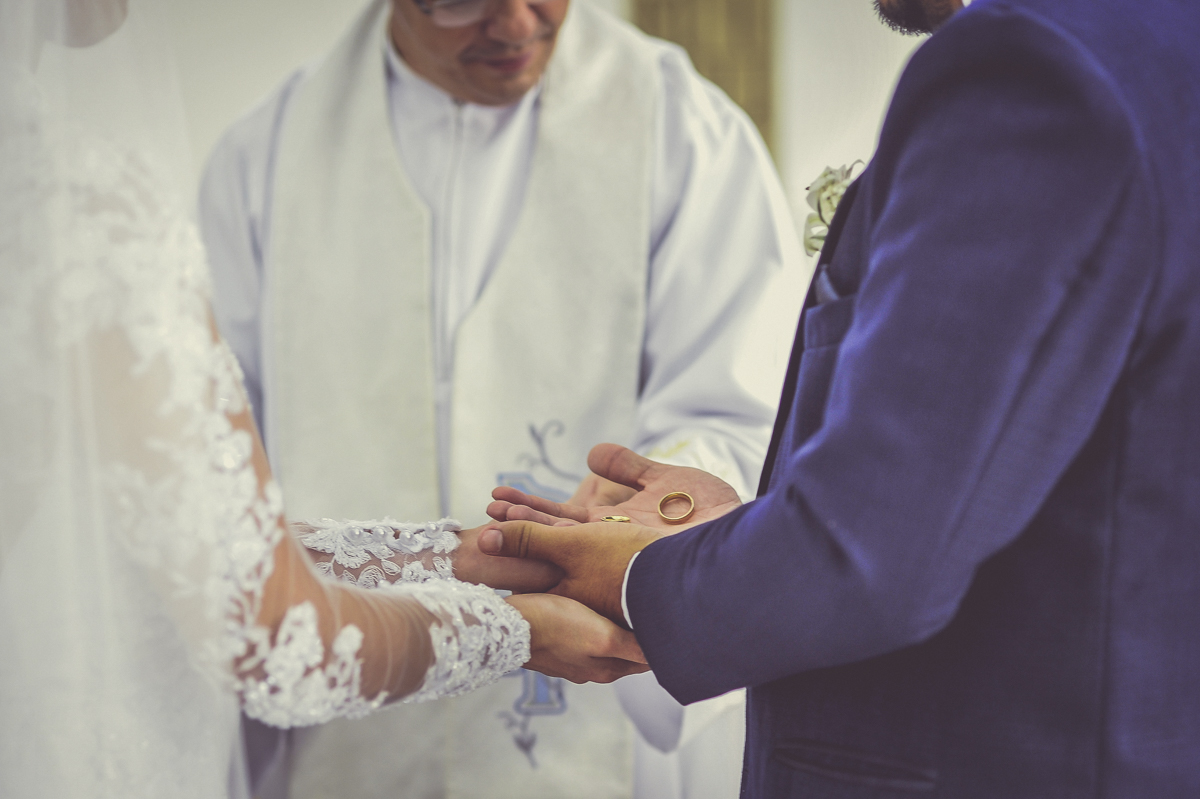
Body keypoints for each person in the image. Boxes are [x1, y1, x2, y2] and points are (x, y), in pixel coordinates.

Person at [483, 0, 1200, 795]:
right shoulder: (1164, 44)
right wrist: (752, 527)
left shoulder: (1033, 67)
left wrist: (639, 578)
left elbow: (870, 558)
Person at [0, 2, 646, 797]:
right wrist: (518, 630)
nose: (514, 24)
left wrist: (455, 554)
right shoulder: (89, 214)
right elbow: (278, 645)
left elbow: (157, 547)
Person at [198, 0, 804, 796]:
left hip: (602, 729)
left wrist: (641, 512)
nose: (517, 25)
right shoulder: (264, 158)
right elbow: (212, 475)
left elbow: (746, 408)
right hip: (343, 732)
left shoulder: (685, 130)